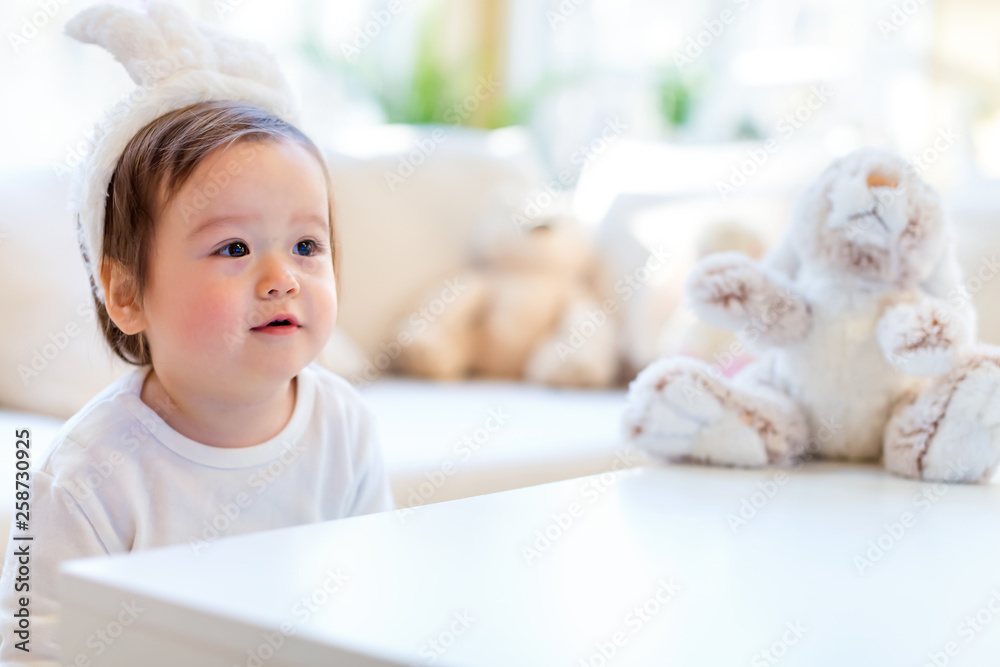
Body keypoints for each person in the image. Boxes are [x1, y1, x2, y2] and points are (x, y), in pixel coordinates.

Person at [0, 3, 394, 664]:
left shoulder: (344, 425)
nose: (282, 277)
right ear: (126, 294)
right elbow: (28, 638)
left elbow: (369, 589)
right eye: (234, 247)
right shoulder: (89, 474)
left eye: (306, 243)